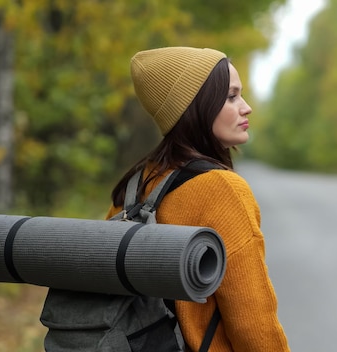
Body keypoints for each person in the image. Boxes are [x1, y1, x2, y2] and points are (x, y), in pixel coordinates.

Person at [106, 47, 290, 352]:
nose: (246, 108)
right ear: (197, 106)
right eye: (231, 97)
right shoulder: (222, 189)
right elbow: (253, 324)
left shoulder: (132, 189)